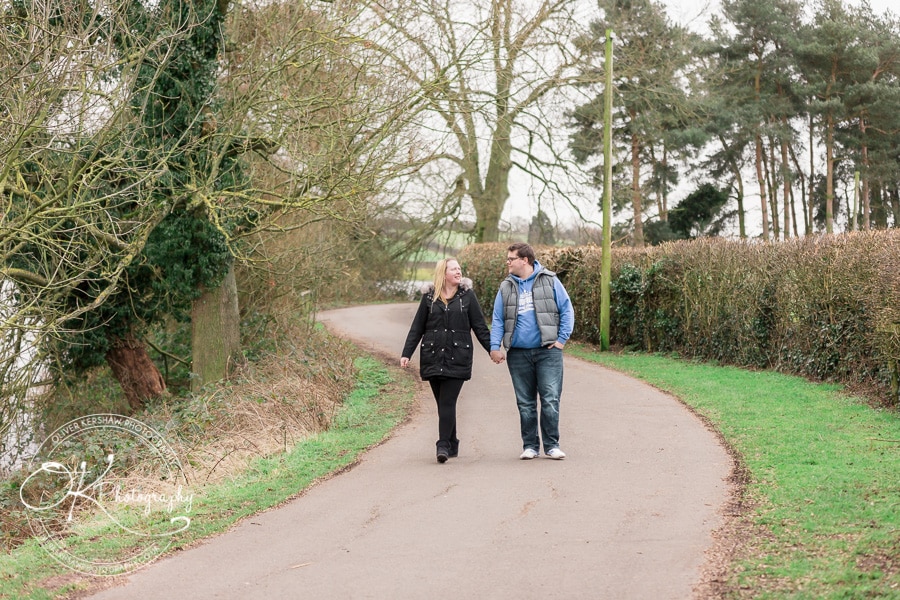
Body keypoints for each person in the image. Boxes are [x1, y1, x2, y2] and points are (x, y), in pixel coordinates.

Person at [401, 258, 492, 463]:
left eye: (460, 268)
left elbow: (479, 326)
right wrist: (406, 353)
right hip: (432, 355)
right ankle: (452, 442)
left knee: (447, 401)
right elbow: (417, 328)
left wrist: (492, 350)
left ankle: (442, 445)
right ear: (443, 273)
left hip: (458, 356)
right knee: (443, 403)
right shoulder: (429, 298)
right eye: (454, 269)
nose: (459, 272)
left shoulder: (467, 296)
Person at [490, 242, 574, 460]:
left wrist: (561, 340)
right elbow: (498, 318)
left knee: (550, 399)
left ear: (524, 260)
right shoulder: (506, 286)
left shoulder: (549, 280)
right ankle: (530, 446)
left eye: (511, 259)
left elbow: (567, 309)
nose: (507, 262)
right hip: (518, 353)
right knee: (525, 402)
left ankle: (552, 445)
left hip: (548, 352)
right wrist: (494, 346)